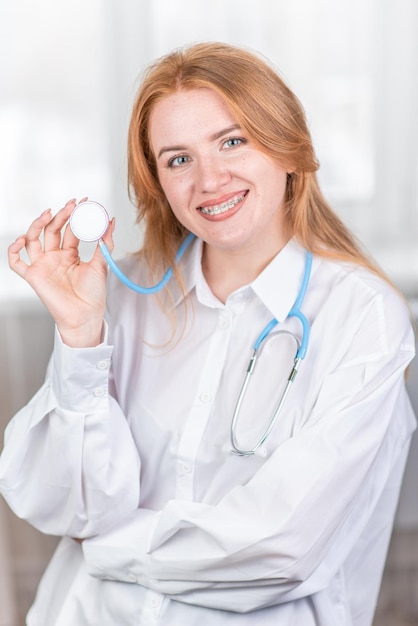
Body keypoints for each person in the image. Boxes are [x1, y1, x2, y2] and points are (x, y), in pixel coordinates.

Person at [0, 41, 416, 626]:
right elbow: (66, 502)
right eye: (178, 160)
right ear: (159, 185)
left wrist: (106, 548)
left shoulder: (362, 315)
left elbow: (279, 548)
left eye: (232, 141)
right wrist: (80, 336)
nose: (209, 180)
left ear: (289, 150)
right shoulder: (120, 296)